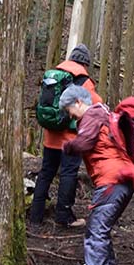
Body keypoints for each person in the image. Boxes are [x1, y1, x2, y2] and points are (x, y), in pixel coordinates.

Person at [61, 85, 134, 265]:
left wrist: (68, 146)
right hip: (122, 178)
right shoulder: (103, 113)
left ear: (78, 103)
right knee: (100, 231)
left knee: (96, 234)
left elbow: (83, 142)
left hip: (111, 180)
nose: (70, 117)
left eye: (69, 110)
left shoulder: (92, 116)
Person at [30, 44, 102, 227]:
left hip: (50, 136)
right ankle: (64, 217)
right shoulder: (83, 80)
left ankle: (35, 215)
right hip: (69, 138)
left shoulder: (53, 76)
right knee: (68, 174)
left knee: (46, 172)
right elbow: (95, 104)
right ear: (85, 62)